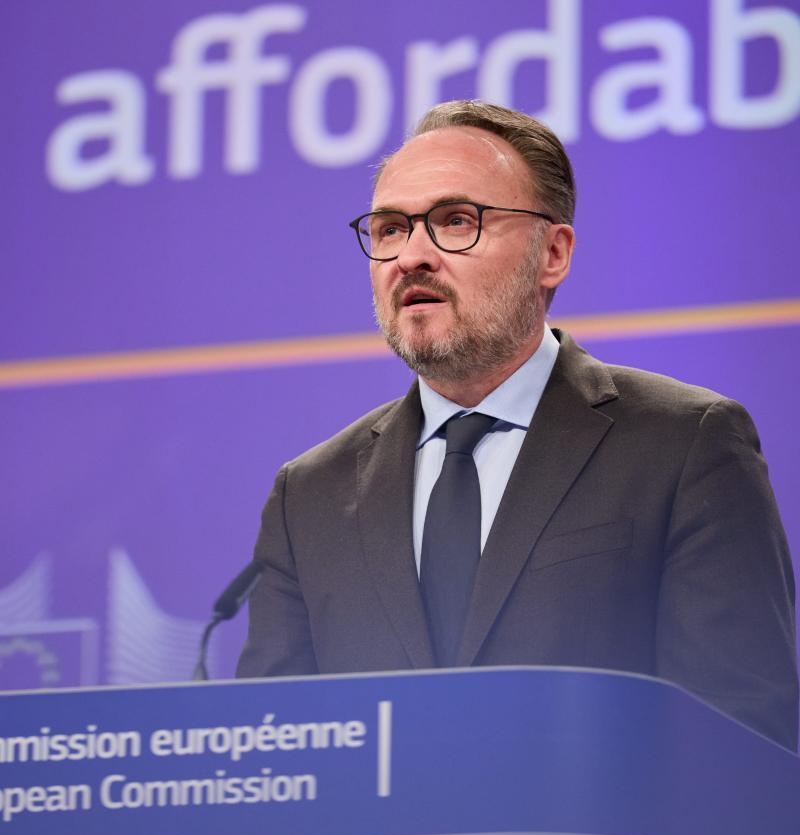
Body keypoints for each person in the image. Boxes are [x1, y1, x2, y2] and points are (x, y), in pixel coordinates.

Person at [237, 99, 798, 750]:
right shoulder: (309, 495)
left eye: (456, 220)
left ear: (552, 253)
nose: (411, 256)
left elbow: (741, 737)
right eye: (390, 229)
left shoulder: (684, 445)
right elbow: (276, 754)